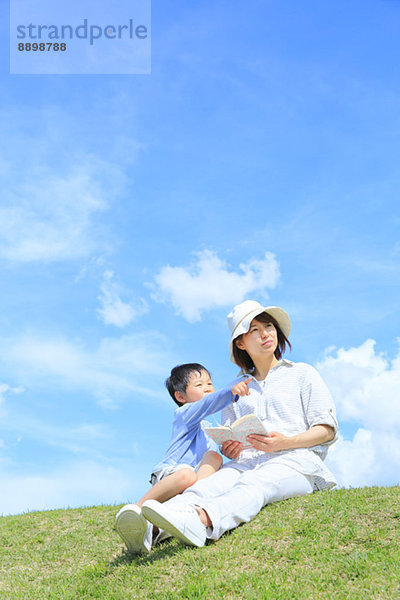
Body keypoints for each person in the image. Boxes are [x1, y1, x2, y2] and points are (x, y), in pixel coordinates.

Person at [140, 300, 338, 548]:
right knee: (207, 486)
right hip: (246, 462)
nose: (265, 333)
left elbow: (327, 430)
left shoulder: (301, 373)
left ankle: (201, 522)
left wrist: (284, 442)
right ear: (241, 343)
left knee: (254, 484)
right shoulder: (239, 388)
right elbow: (230, 441)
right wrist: (230, 449)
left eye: (268, 325)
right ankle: (148, 528)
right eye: (254, 329)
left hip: (294, 462)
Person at [115, 362, 252, 553]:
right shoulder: (184, 414)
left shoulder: (208, 428)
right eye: (199, 385)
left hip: (193, 484)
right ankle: (135, 512)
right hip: (171, 474)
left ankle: (176, 514)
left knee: (215, 457)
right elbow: (207, 404)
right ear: (181, 397)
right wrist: (230, 392)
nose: (207, 388)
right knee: (186, 474)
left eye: (210, 383)